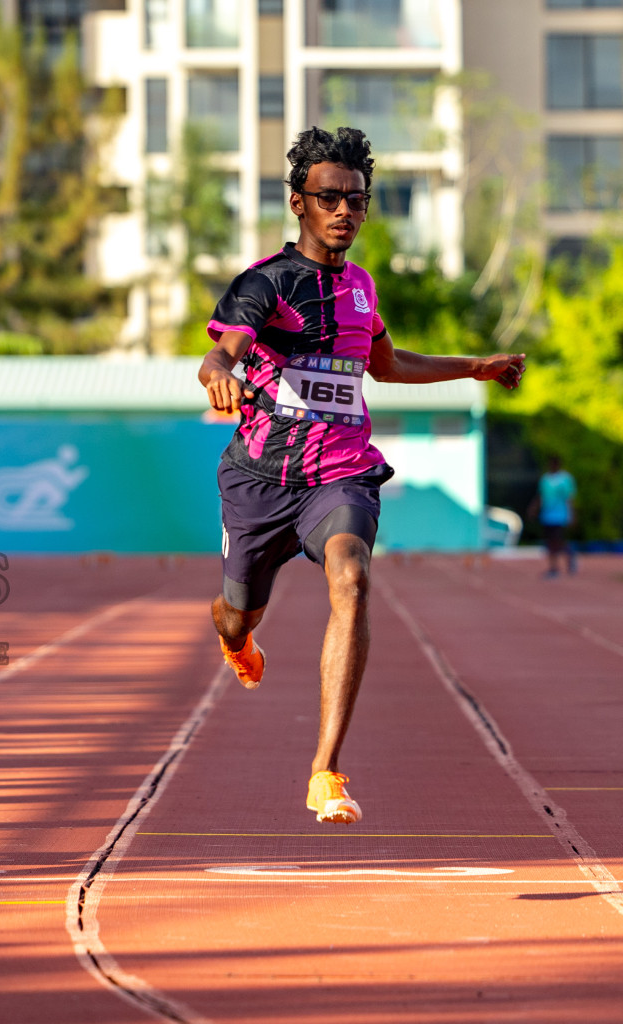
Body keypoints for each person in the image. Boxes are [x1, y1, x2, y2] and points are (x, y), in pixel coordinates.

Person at [198, 126, 526, 825]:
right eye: (330, 198)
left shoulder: (361, 287)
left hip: (340, 473)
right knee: (234, 615)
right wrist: (218, 374)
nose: (346, 210)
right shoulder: (266, 283)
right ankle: (236, 640)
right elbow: (223, 353)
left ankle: (326, 772)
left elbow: (385, 365)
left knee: (352, 577)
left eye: (357, 199)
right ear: (298, 204)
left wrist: (475, 366)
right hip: (259, 477)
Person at [534, 455, 577, 577]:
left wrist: (572, 515)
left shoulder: (565, 479)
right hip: (547, 515)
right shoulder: (545, 479)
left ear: (558, 464)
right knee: (550, 542)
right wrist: (534, 509)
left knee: (557, 540)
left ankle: (560, 563)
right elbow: (540, 496)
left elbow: (570, 498)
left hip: (560, 515)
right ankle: (555, 566)